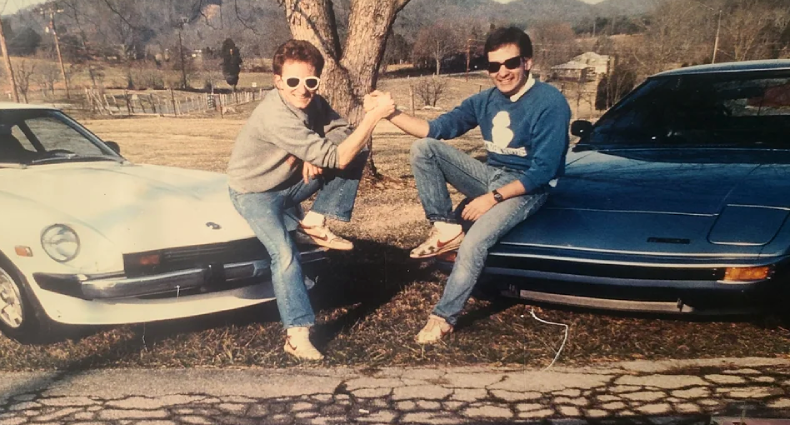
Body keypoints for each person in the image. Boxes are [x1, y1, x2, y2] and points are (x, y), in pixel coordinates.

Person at [378, 27, 571, 344]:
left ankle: (443, 317)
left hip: (527, 189)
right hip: (492, 174)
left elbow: (543, 171)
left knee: (475, 242)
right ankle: (444, 228)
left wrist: (492, 199)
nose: (502, 72)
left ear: (527, 62)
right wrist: (391, 113)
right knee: (424, 148)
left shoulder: (550, 102)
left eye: (510, 63)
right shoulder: (485, 100)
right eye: (494, 66)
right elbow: (434, 128)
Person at [228, 39, 395, 361]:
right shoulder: (274, 115)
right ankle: (297, 334)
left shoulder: (313, 102)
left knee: (355, 150)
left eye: (310, 81)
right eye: (292, 82)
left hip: (290, 185)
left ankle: (316, 219)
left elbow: (342, 131)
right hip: (254, 194)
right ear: (278, 82)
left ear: (317, 80)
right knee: (285, 254)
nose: (302, 89)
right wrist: (373, 118)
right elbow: (339, 156)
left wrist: (315, 148)